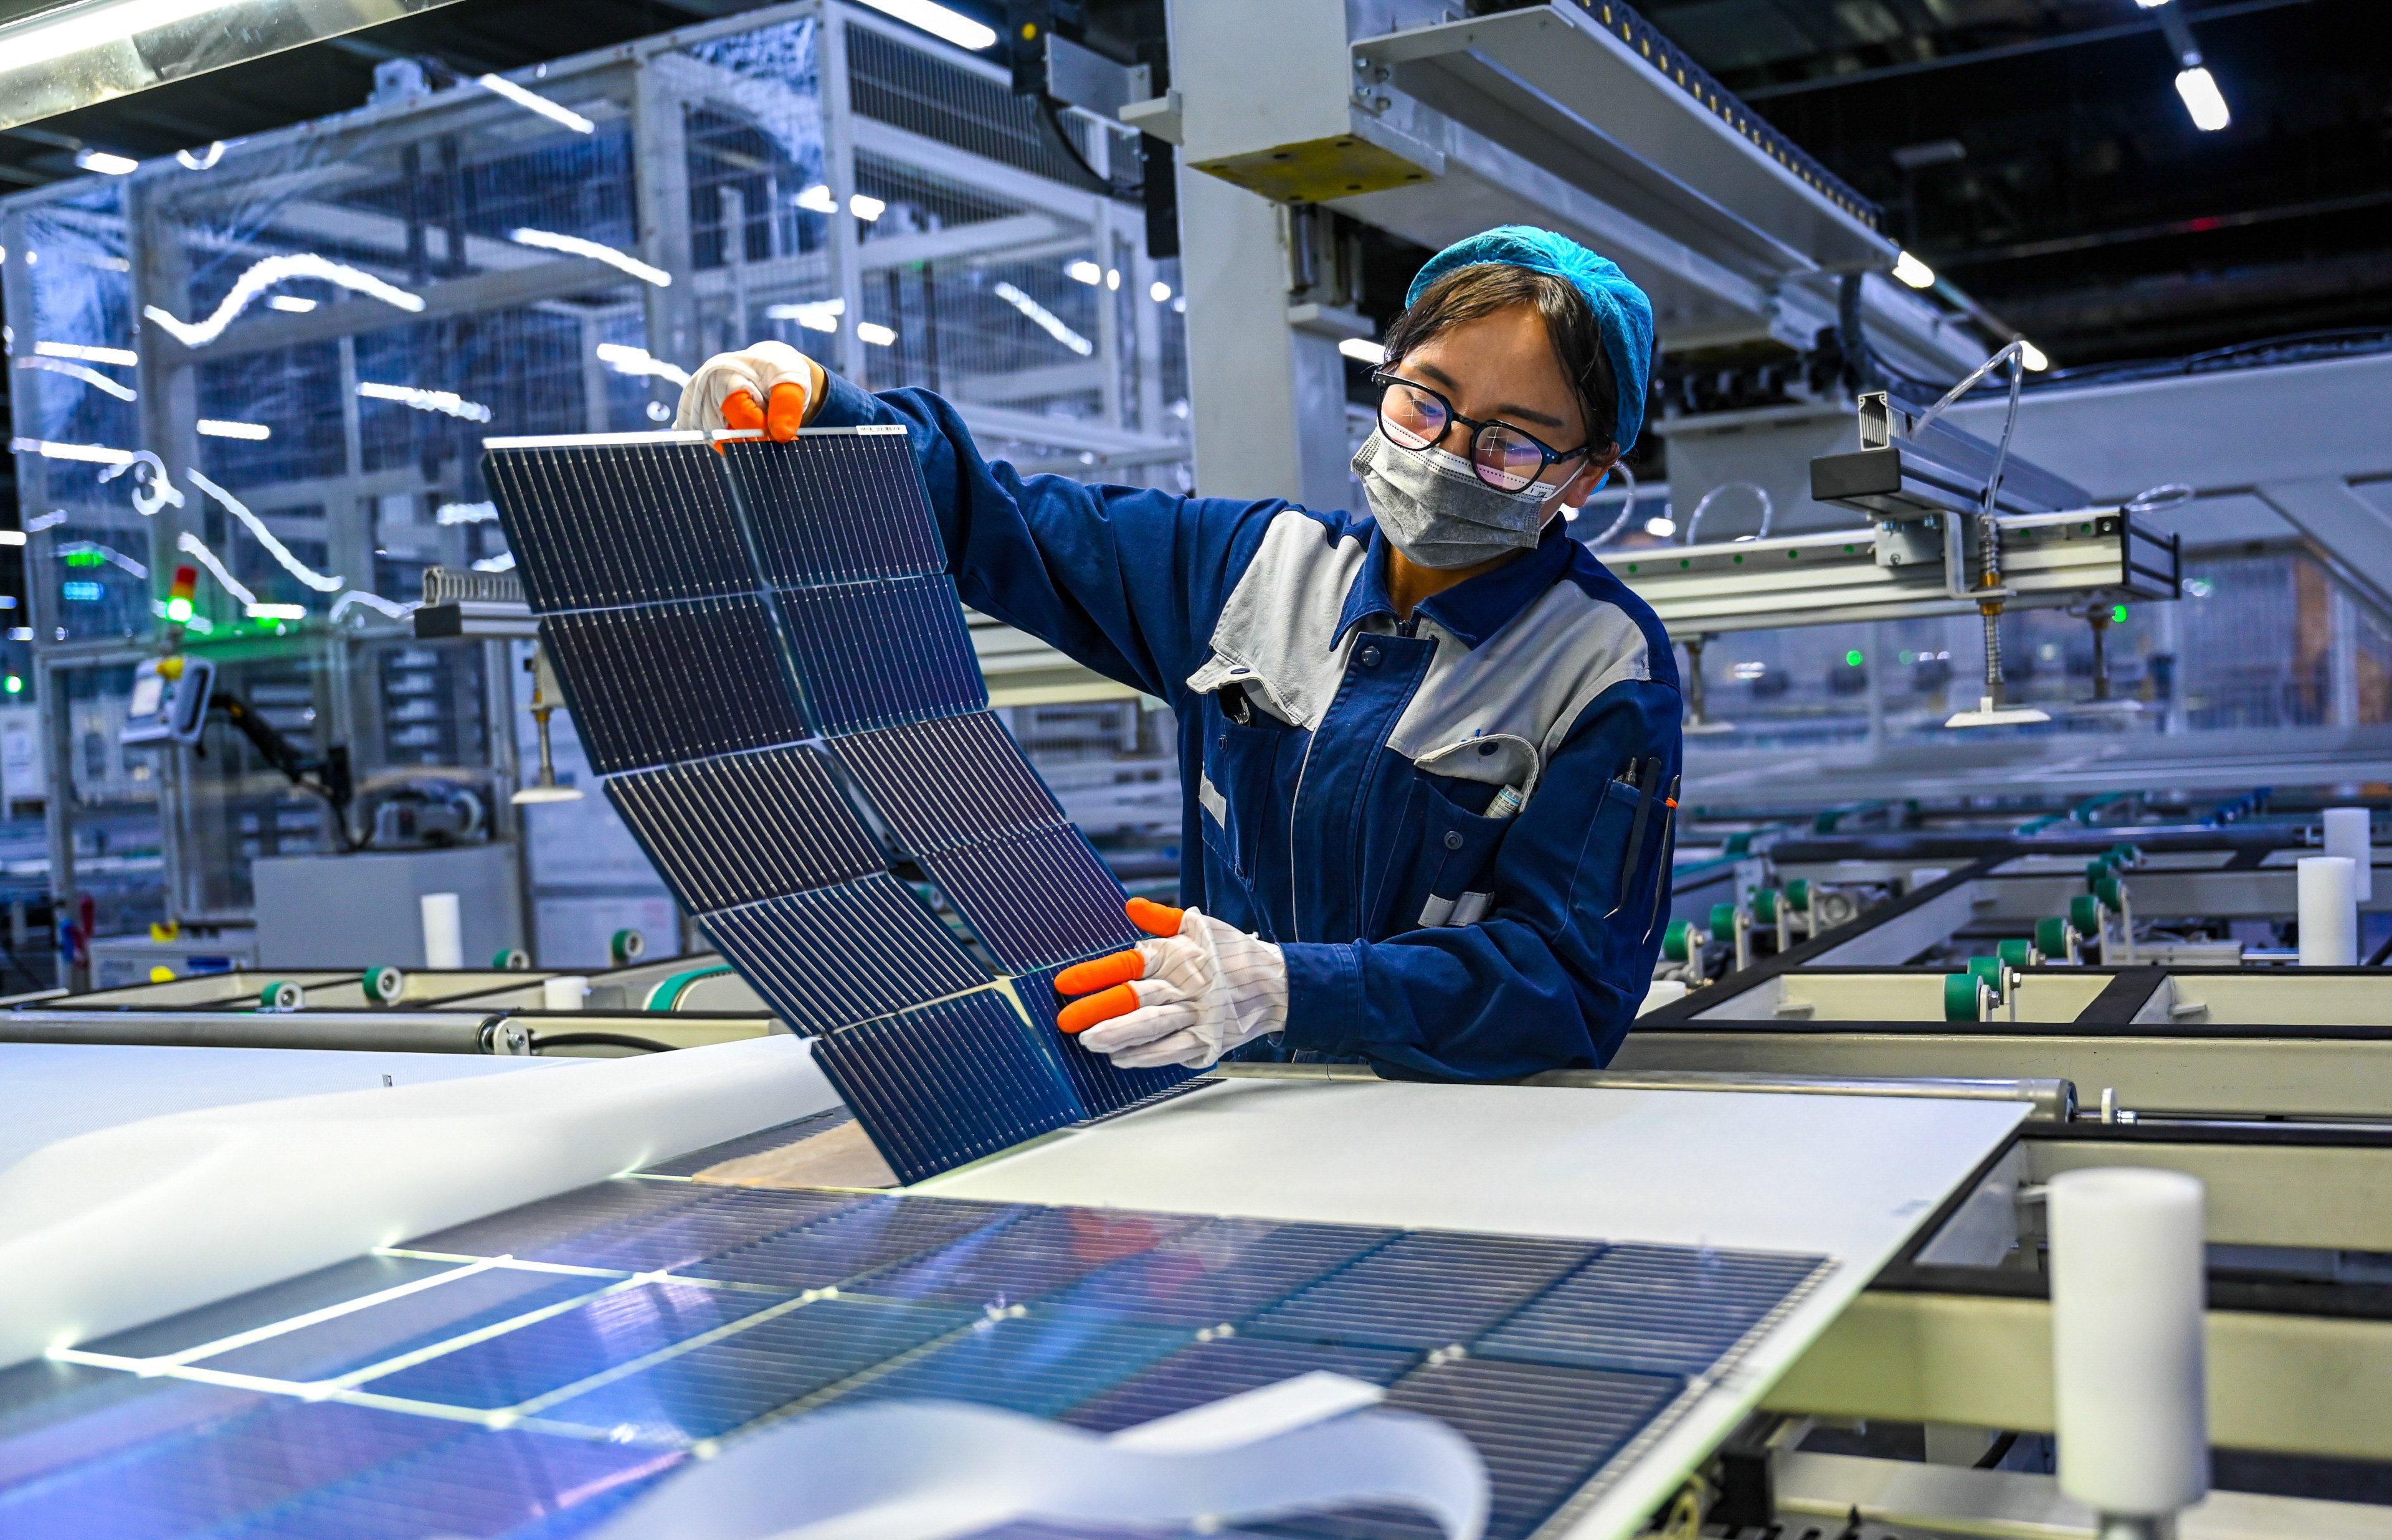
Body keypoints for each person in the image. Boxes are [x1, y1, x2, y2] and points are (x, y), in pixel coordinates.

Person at [675, 225, 1681, 1083]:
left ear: (1584, 478)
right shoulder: (1250, 568)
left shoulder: (1604, 665)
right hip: (1226, 1112)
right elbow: (1000, 521)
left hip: (1457, 1145)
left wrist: (1286, 989)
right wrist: (825, 412)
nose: (1447, 456)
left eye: (1510, 444)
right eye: (1425, 403)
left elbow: (1570, 987)